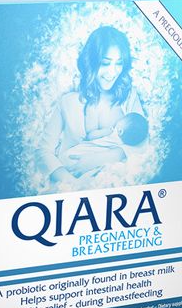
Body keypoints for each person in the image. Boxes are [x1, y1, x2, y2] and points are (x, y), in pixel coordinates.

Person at [36, 25, 144, 187]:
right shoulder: (67, 102)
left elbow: (143, 144)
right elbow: (43, 152)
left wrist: (100, 158)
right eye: (105, 63)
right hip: (70, 187)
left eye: (119, 63)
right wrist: (74, 184)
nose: (113, 72)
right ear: (91, 62)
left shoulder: (129, 96)